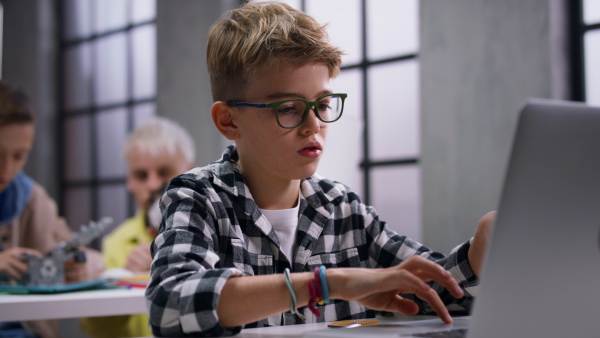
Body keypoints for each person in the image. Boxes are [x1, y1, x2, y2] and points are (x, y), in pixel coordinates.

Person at [145, 2, 494, 337]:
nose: (313, 125)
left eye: (323, 104)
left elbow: (433, 294)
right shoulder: (198, 197)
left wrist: (483, 248)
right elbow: (171, 307)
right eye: (289, 108)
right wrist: (329, 284)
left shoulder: (342, 207)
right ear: (228, 120)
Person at [0, 81, 104, 338]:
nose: (7, 168)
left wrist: (81, 266)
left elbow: (89, 257)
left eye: (19, 155)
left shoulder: (31, 200)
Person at [80, 117, 196, 338]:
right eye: (141, 175)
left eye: (164, 172)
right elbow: (98, 331)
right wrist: (126, 279)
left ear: (190, 172)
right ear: (129, 182)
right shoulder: (116, 244)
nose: (153, 185)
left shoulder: (217, 229)